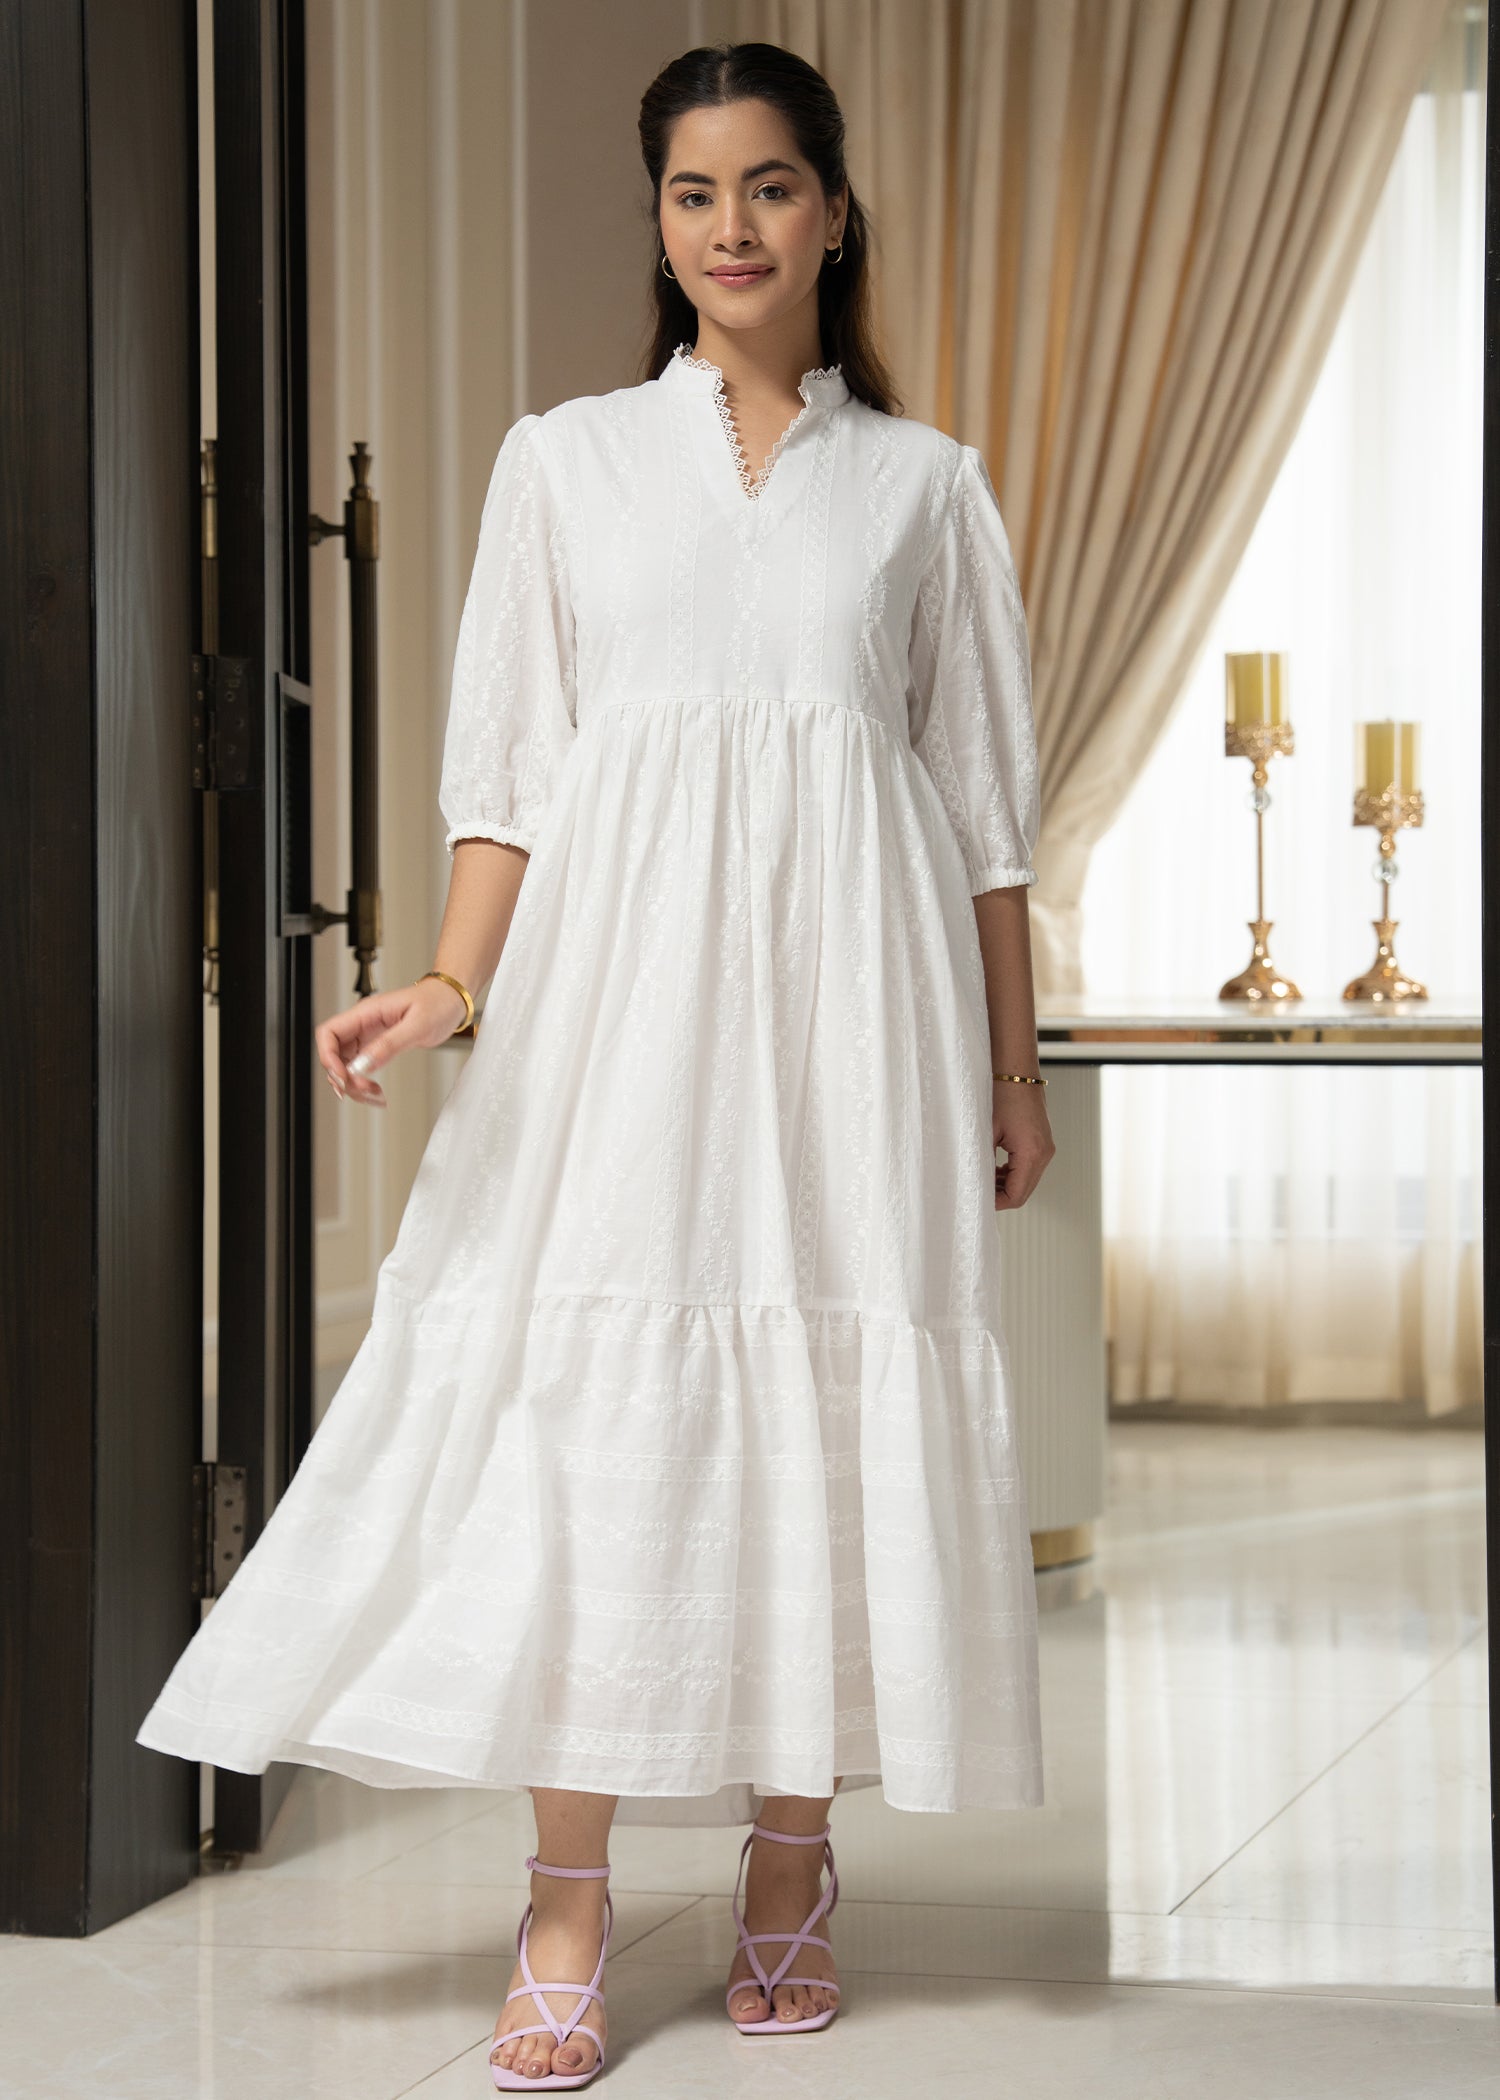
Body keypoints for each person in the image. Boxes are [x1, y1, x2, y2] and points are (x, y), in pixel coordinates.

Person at [136, 37, 1054, 2092]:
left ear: (835, 211)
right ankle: (566, 1890)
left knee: (820, 1394)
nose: (733, 227)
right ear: (659, 221)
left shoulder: (927, 487)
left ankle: (791, 1850)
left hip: (853, 1020)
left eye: (771, 186)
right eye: (693, 193)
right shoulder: (560, 461)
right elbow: (513, 786)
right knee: (589, 1418)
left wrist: (1014, 1070)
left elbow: (986, 814)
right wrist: (447, 990)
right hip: (616, 1013)